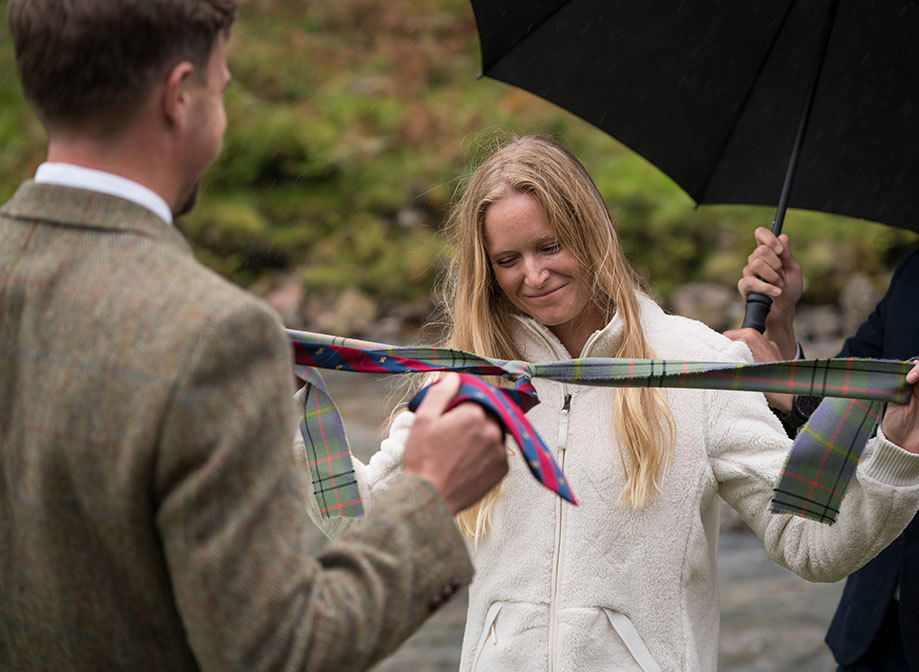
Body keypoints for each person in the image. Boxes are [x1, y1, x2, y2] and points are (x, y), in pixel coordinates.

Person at [0, 2, 510, 671]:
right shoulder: (212, 336)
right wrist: (431, 497)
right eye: (222, 87)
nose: (223, 111)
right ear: (179, 96)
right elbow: (279, 652)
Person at [299, 134, 919, 672]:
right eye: (508, 260)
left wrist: (896, 452)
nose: (533, 276)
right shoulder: (468, 381)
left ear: (590, 232)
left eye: (550, 247)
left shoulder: (697, 367)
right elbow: (365, 521)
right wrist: (285, 414)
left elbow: (810, 543)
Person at [730, 225, 919, 671]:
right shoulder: (914, 270)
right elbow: (852, 382)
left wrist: (789, 390)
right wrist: (780, 318)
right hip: (873, 618)